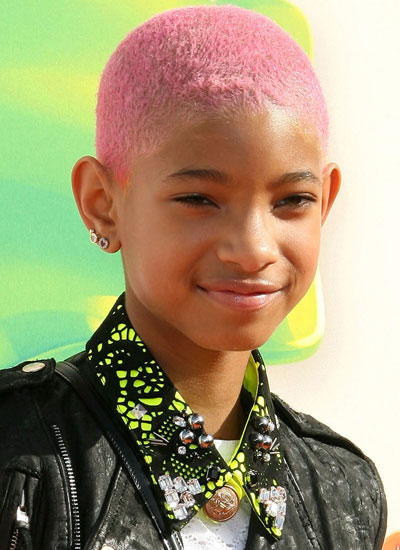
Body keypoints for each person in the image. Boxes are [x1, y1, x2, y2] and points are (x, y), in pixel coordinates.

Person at [0, 5, 387, 550]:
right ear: (102, 203)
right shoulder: (18, 461)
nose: (253, 249)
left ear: (325, 202)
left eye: (292, 200)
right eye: (199, 199)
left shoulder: (344, 490)